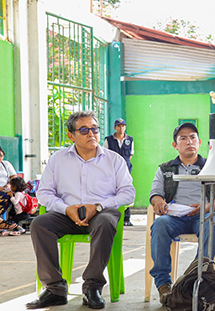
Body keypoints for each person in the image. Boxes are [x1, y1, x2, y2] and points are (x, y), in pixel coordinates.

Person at [27, 111, 135, 309]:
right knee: (39, 224)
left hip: (101, 214)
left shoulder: (114, 160)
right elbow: (44, 193)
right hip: (66, 215)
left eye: (94, 129)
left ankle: (92, 287)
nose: (91, 134)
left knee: (105, 221)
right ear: (71, 135)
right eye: (84, 130)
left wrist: (98, 206)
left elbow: (128, 194)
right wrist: (66, 209)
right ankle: (54, 289)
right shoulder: (58, 160)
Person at [149, 122, 215, 306]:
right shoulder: (165, 169)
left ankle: (196, 279)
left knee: (211, 224)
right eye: (183, 138)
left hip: (203, 214)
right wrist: (158, 201)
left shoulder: (211, 167)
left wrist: (208, 206)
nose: (189, 141)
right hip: (175, 216)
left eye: (193, 137)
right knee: (160, 224)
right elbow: (155, 194)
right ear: (175, 145)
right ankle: (164, 286)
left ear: (200, 142)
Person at [104, 118, 134, 226]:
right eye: (119, 126)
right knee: (112, 192)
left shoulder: (130, 140)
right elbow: (105, 155)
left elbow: (130, 155)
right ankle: (113, 217)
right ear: (115, 128)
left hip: (125, 170)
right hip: (111, 171)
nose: (121, 128)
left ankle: (127, 218)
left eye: (123, 126)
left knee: (126, 192)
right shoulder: (108, 140)